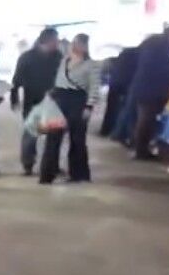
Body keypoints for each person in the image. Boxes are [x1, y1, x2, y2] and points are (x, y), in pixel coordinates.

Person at [40, 33, 97, 184]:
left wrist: (89, 106)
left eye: (80, 44)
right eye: (75, 43)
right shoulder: (64, 60)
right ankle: (47, 174)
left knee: (77, 139)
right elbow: (57, 80)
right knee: (53, 138)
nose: (77, 46)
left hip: (78, 100)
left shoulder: (91, 65)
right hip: (59, 98)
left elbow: (94, 87)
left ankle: (79, 174)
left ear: (85, 46)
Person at [128, 22, 169, 160]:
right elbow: (157, 67)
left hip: (148, 87)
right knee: (146, 120)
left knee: (145, 120)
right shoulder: (158, 46)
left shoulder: (157, 43)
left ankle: (141, 148)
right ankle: (140, 151)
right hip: (150, 89)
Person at [11, 28, 61, 176]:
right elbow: (17, 80)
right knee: (31, 134)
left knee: (54, 135)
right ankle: (28, 165)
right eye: (56, 41)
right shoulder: (27, 57)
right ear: (47, 41)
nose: (57, 44)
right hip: (33, 102)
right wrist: (14, 99)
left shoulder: (58, 57)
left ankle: (52, 165)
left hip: (54, 101)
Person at [100, 43, 140, 139]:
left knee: (111, 108)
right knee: (122, 109)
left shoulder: (126, 52)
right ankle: (117, 134)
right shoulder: (138, 55)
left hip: (115, 82)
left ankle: (105, 130)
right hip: (125, 84)